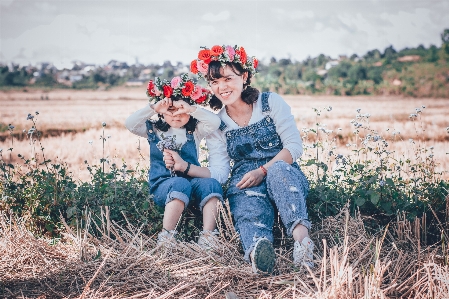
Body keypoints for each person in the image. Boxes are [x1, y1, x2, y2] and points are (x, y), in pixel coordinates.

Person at [165, 45, 314, 274]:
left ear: (244, 77)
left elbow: (293, 148)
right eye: (214, 82)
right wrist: (186, 167)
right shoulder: (218, 125)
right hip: (245, 177)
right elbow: (220, 172)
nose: (221, 87)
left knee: (279, 173)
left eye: (228, 78)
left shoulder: (269, 103)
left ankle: (303, 246)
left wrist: (262, 171)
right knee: (245, 203)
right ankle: (258, 254)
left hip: (282, 169)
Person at [125, 74, 224, 249]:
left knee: (212, 184)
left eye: (182, 111)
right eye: (171, 111)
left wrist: (192, 109)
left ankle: (208, 236)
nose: (176, 116)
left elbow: (215, 121)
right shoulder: (153, 129)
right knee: (179, 183)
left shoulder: (195, 131)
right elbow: (130, 123)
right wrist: (154, 108)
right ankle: (167, 236)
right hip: (163, 185)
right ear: (162, 111)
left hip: (192, 183)